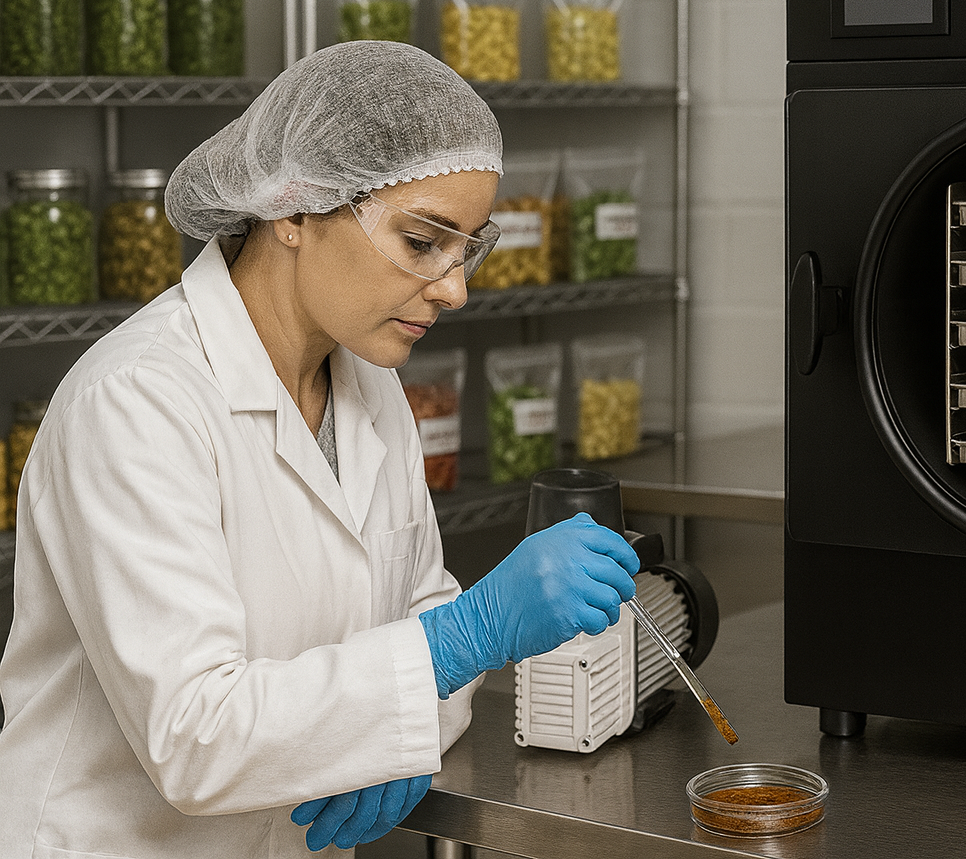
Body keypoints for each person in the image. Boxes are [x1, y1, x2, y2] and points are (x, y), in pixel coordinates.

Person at [0, 41, 640, 857]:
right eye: (422, 243)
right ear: (294, 209)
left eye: (468, 247)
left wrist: (392, 734)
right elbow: (197, 736)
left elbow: (414, 609)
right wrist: (463, 640)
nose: (455, 289)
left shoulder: (366, 382)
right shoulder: (138, 402)